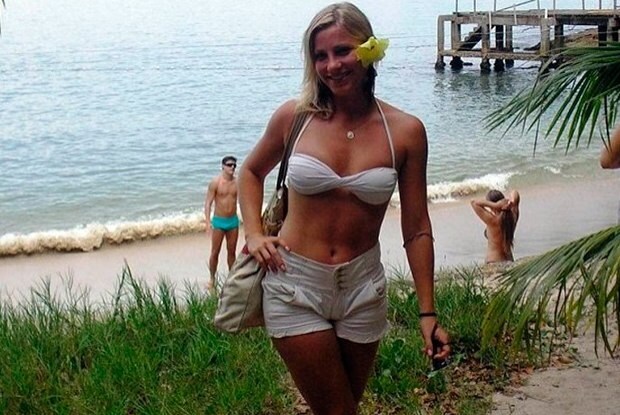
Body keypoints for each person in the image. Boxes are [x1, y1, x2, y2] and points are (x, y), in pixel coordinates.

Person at [238, 3, 450, 414]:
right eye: (320, 56)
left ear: (369, 50)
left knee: (342, 406)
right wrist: (254, 233)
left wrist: (428, 312)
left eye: (342, 51)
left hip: (363, 290)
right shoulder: (294, 118)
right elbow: (250, 171)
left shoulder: (405, 132)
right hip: (294, 284)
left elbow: (416, 227)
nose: (332, 66)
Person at [204, 156, 239, 292]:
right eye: (229, 165)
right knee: (215, 252)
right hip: (219, 221)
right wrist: (208, 222)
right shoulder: (215, 183)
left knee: (232, 253)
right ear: (223, 166)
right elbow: (208, 203)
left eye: (234, 165)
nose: (232, 167)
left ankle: (232, 279)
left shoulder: (237, 182)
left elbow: (244, 201)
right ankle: (212, 279)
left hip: (233, 221)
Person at [471, 189, 520, 264]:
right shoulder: (512, 217)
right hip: (509, 261)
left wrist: (495, 205)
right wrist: (511, 202)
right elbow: (515, 193)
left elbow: (473, 202)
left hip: (493, 262)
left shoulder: (493, 221)